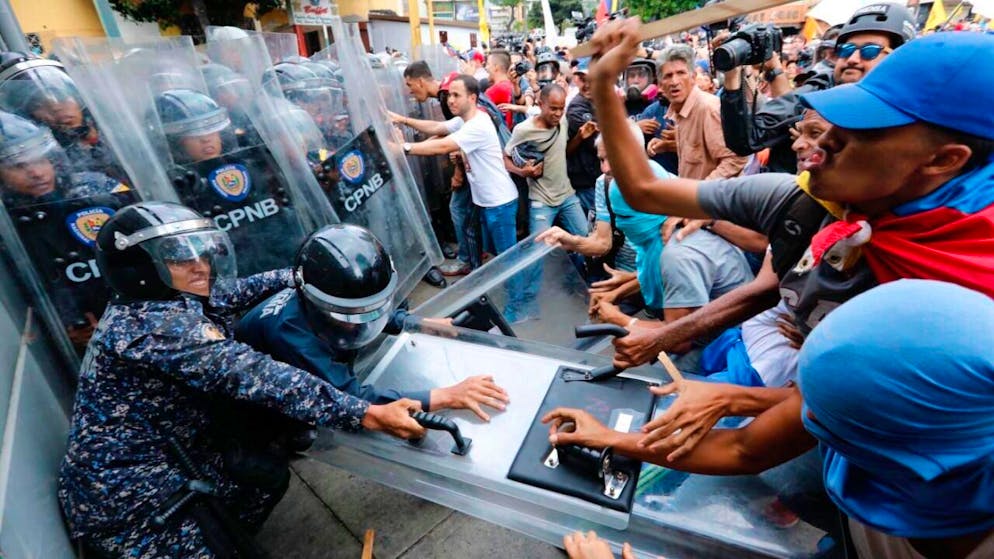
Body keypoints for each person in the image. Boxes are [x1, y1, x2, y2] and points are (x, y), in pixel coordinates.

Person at [546, 23, 994, 470]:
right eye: (838, 116)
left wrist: (732, 400)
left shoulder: (948, 308)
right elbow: (646, 188)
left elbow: (752, 446)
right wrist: (605, 83)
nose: (824, 142)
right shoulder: (803, 198)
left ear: (943, 160)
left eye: (867, 130)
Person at [59, 201, 426, 558]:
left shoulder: (171, 296)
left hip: (179, 452)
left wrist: (314, 275)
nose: (200, 266)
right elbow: (260, 375)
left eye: (201, 254)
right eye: (178, 259)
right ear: (138, 269)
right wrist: (365, 413)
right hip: (128, 497)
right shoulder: (152, 329)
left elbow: (245, 288)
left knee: (264, 478)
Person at [556, 280, 994, 559]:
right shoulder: (921, 424)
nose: (798, 415)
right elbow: (743, 448)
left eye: (818, 417)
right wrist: (610, 438)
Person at [237, 223, 509, 420]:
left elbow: (369, 311)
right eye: (349, 316)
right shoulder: (291, 336)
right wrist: (446, 396)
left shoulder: (328, 302)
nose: (359, 323)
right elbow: (350, 399)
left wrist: (415, 323)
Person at [719, 3, 916, 173]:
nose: (853, 59)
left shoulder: (919, 115)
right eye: (846, 50)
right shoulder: (819, 91)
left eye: (869, 51)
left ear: (899, 58)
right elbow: (747, 139)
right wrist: (733, 72)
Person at [392, 74, 519, 259]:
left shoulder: (478, 125)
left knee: (509, 261)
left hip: (499, 204)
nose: (450, 100)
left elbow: (443, 146)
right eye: (449, 95)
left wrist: (401, 148)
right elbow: (436, 127)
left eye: (456, 95)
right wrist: (403, 120)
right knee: (498, 257)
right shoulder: (465, 119)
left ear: (472, 98)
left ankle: (523, 289)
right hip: (488, 203)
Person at [0, 51, 126, 180]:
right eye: (39, 105)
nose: (56, 107)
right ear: (30, 117)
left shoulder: (118, 129)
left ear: (78, 97)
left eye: (61, 97)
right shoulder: (47, 159)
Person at [650, 44, 747, 181]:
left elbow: (736, 159)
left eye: (681, 73)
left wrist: (701, 191)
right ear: (660, 84)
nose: (674, 81)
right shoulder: (679, 111)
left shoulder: (707, 109)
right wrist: (666, 146)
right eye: (668, 76)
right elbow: (700, 156)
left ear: (693, 77)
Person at [565, 58, 600, 215]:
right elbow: (597, 142)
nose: (587, 85)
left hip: (596, 178)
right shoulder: (577, 108)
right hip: (585, 181)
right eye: (584, 79)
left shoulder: (599, 100)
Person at [484, 50, 515, 128]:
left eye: (488, 64)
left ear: (496, 67)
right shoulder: (510, 84)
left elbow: (476, 113)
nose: (486, 68)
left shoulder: (497, 89)